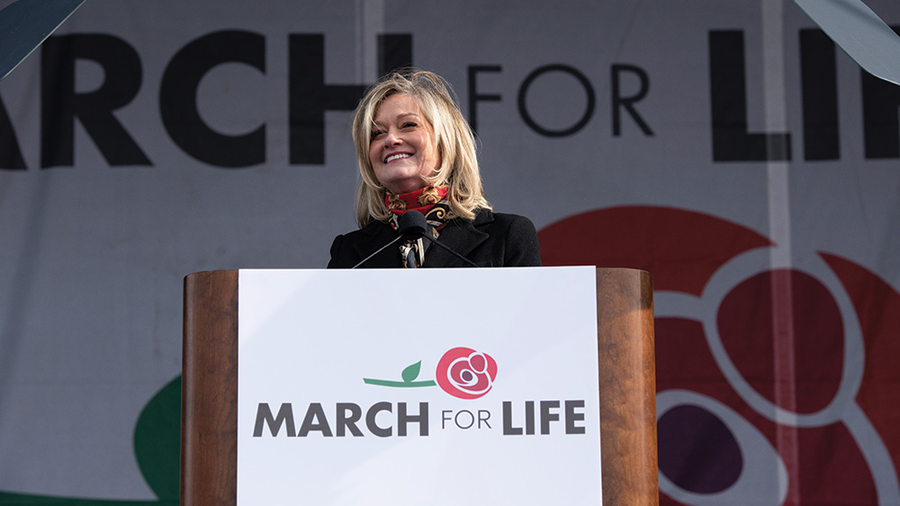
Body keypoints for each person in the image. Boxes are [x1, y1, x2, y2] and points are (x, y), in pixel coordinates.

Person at [327, 69, 541, 268]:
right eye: (377, 133)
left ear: (446, 141)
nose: (390, 139)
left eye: (408, 125)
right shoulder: (348, 252)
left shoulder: (506, 236)